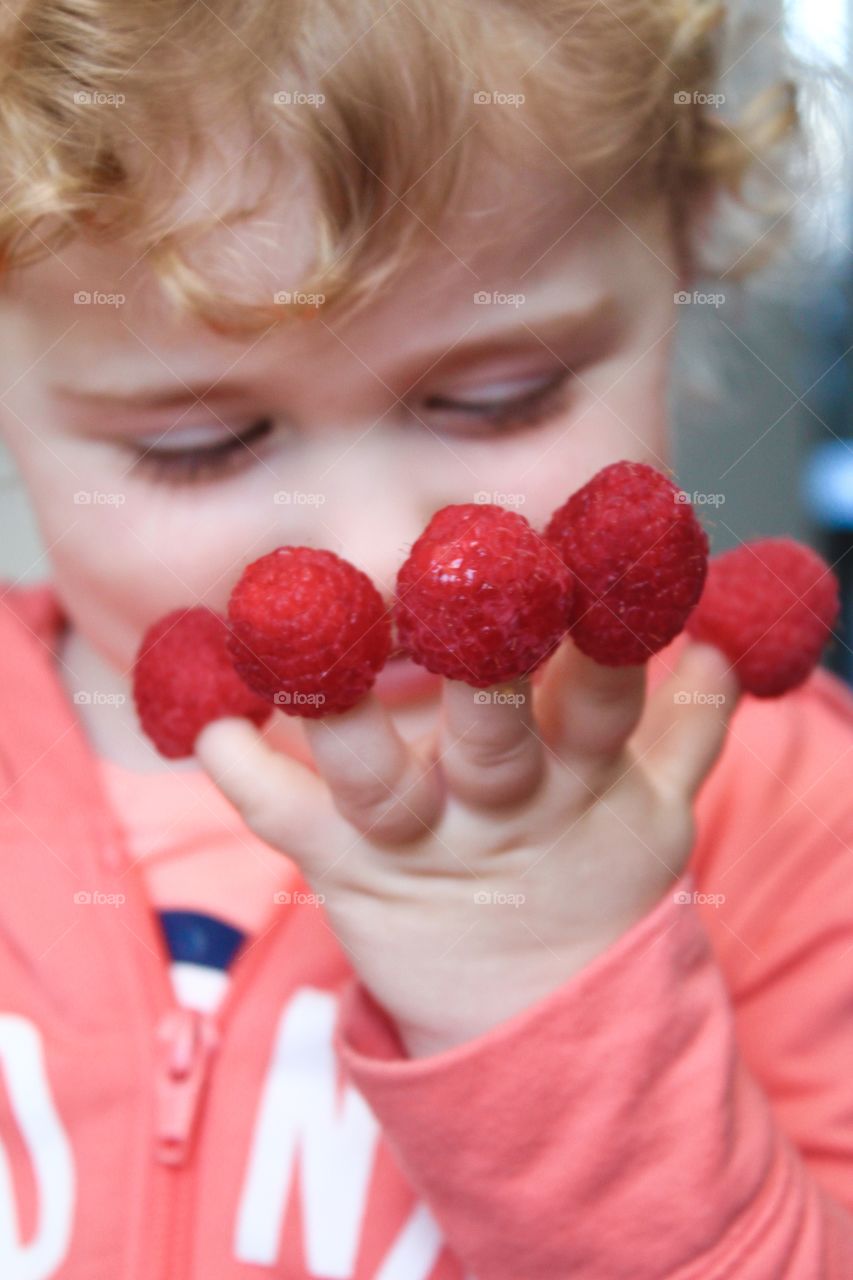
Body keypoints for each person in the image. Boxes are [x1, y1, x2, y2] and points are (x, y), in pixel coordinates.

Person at [0, 1, 850, 1275]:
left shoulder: (784, 807)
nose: (381, 547)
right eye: (200, 444)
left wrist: (552, 991)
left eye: (494, 399)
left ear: (684, 263)